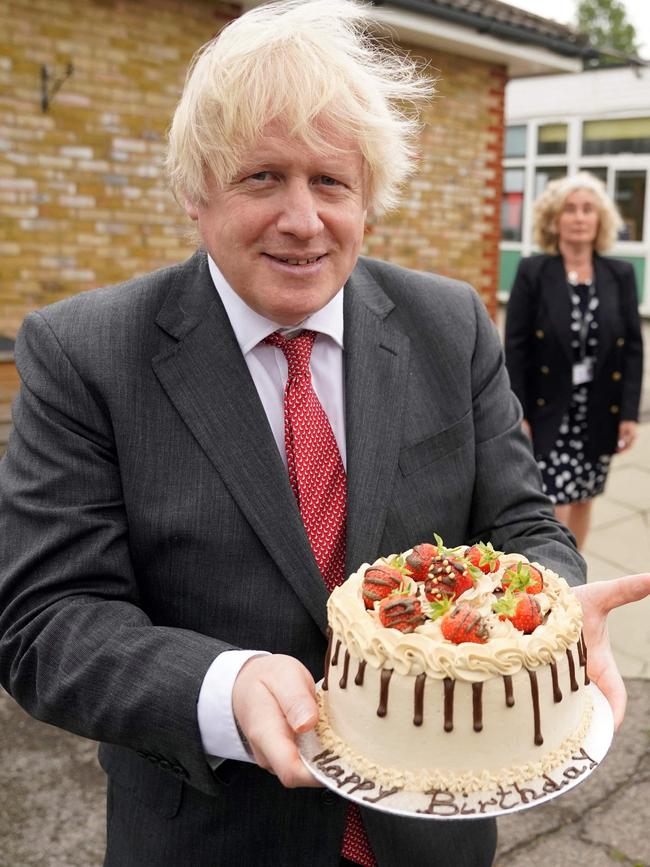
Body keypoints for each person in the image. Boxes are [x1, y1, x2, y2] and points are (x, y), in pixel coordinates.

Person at [0, 3, 649, 866]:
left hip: (433, 834)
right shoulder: (84, 354)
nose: (303, 219)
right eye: (262, 177)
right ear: (196, 192)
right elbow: (47, 619)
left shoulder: (448, 324)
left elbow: (525, 526)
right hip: (215, 835)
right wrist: (220, 686)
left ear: (368, 198)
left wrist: (553, 614)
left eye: (332, 182)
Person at [505, 172, 643, 549]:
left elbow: (631, 345)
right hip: (549, 408)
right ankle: (556, 577)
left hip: (598, 408)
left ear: (600, 220)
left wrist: (629, 413)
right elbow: (515, 347)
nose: (579, 217)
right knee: (553, 504)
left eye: (588, 209)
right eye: (570, 209)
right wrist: (519, 412)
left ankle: (575, 573)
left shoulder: (619, 274)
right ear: (555, 219)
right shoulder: (534, 272)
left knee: (584, 496)